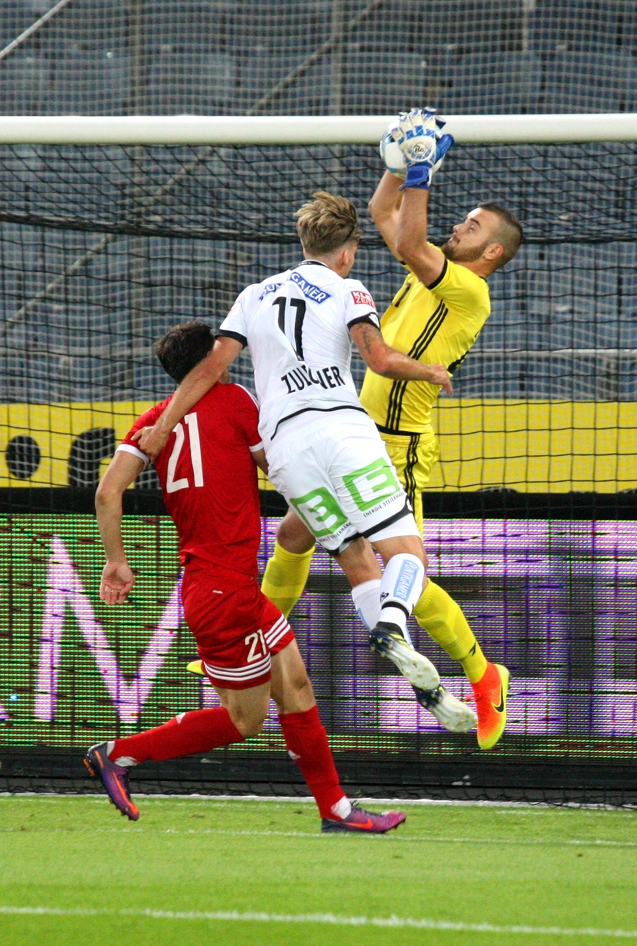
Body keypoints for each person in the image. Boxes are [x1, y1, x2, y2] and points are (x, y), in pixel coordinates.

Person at [133, 190, 475, 735]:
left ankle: (425, 685)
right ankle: (391, 623)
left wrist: (163, 426)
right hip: (341, 431)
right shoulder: (348, 289)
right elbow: (379, 359)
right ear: (348, 252)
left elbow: (207, 370)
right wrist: (428, 371)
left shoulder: (253, 295)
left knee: (356, 559)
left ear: (304, 240)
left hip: (287, 453)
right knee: (406, 554)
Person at [261, 109, 523, 750]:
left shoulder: (468, 292)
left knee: (407, 572)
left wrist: (426, 169)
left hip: (396, 442)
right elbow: (388, 219)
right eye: (460, 220)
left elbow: (407, 238)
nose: (460, 226)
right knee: (295, 531)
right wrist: (397, 165)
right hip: (353, 429)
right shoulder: (426, 273)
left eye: (473, 227)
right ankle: (251, 638)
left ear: (490, 252)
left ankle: (484, 674)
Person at [85, 320, 406, 834]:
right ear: (212, 356)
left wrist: (115, 560)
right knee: (246, 720)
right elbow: (281, 469)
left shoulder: (152, 422)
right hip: (221, 592)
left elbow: (106, 493)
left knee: (297, 687)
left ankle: (337, 811)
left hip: (227, 586)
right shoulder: (235, 402)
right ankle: (118, 755)